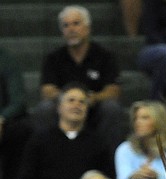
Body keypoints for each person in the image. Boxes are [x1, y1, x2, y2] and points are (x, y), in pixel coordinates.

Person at [31, 5, 125, 152]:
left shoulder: (104, 56)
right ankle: (45, 155)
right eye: (66, 25)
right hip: (63, 109)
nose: (71, 29)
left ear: (87, 28)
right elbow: (47, 90)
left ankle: (110, 160)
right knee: (44, 109)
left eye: (76, 23)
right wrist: (69, 99)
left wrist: (93, 98)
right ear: (62, 32)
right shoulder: (53, 58)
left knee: (111, 108)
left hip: (94, 108)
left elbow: (113, 90)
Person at [0, 46, 31, 179]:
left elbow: (18, 101)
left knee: (22, 129)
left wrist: (2, 117)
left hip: (3, 120)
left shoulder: (6, 59)